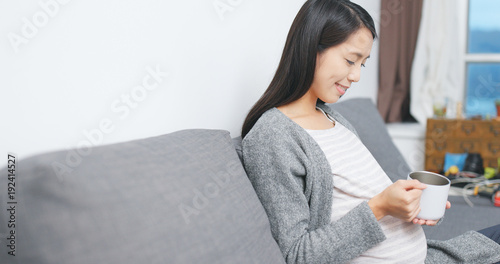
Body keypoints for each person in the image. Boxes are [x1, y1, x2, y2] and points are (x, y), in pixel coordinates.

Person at [240, 0, 500, 263]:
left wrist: (410, 205)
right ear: (311, 48)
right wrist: (380, 206)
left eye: (361, 64)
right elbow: (298, 255)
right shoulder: (273, 136)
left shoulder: (334, 119)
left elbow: (364, 199)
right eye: (350, 60)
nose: (356, 77)